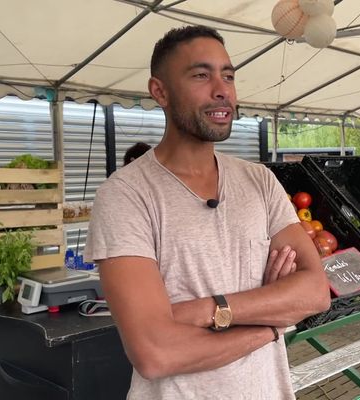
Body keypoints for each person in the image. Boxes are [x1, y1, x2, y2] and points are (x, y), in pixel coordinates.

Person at [84, 25, 330, 400]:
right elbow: (155, 353)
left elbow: (315, 292)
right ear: (160, 91)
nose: (222, 90)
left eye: (228, 76)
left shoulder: (259, 181)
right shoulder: (125, 196)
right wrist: (272, 325)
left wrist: (207, 309)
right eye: (201, 75)